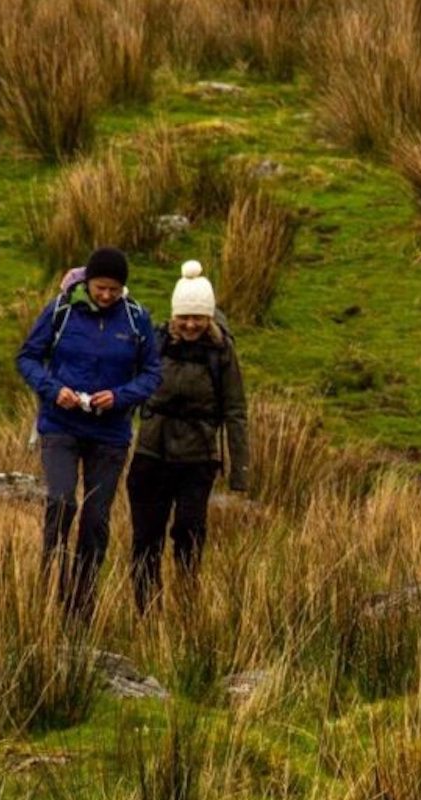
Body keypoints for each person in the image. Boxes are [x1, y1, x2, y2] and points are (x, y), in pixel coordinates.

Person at [16, 247, 161, 619]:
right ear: (88, 282)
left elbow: (152, 374)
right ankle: (51, 578)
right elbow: (27, 358)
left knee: (96, 519)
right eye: (100, 288)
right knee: (62, 501)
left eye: (114, 289)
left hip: (110, 434)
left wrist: (119, 396)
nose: (107, 295)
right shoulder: (61, 310)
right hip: (60, 425)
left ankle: (81, 603)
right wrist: (54, 390)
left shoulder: (136, 319)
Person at [127, 261, 249, 614]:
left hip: (198, 459)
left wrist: (240, 470)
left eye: (199, 317)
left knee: (189, 532)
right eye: (184, 317)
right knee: (145, 539)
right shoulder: (155, 343)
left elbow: (236, 411)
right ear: (174, 315)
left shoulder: (222, 353)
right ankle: (147, 612)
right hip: (151, 453)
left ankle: (186, 604)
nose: (191, 324)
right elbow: (129, 389)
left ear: (209, 317)